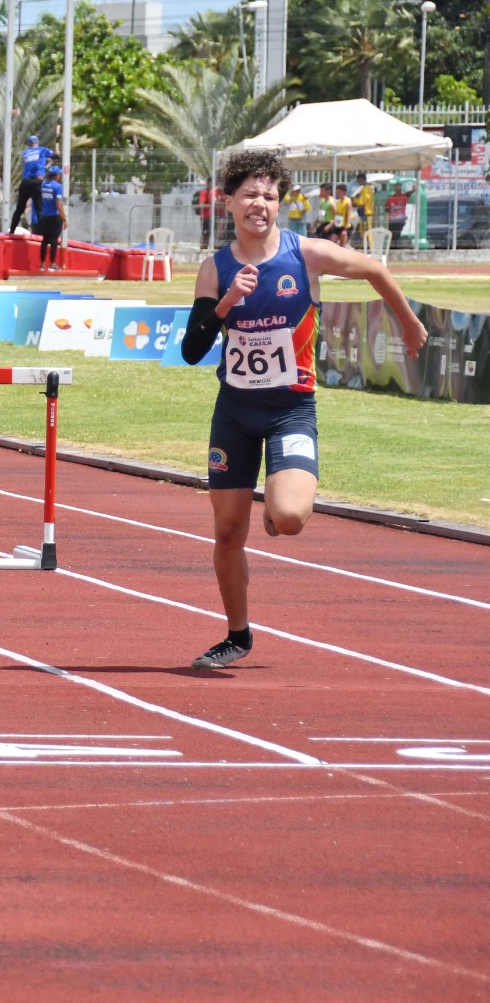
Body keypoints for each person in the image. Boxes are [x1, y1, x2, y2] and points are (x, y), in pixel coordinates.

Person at [178, 149, 427, 670]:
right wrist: (225, 303)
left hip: (290, 411)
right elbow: (192, 350)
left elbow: (374, 268)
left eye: (269, 196)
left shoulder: (306, 255)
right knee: (227, 533)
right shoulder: (215, 269)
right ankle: (237, 635)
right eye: (250, 194)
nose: (260, 204)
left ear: (280, 204)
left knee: (289, 518)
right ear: (228, 202)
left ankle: (276, 507)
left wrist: (407, 321)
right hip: (234, 413)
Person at [9, 135, 52, 233]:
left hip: (25, 182)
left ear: (28, 144)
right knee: (39, 209)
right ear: (38, 142)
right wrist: (54, 156)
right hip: (37, 181)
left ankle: (12, 231)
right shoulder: (43, 150)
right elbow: (53, 155)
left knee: (19, 208)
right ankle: (43, 234)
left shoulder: (25, 152)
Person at [36, 165, 67, 271]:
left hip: (45, 216)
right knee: (54, 241)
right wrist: (64, 219)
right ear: (56, 175)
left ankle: (42, 264)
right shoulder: (58, 187)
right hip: (55, 216)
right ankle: (52, 264)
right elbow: (59, 203)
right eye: (59, 174)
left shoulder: (43, 184)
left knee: (44, 240)